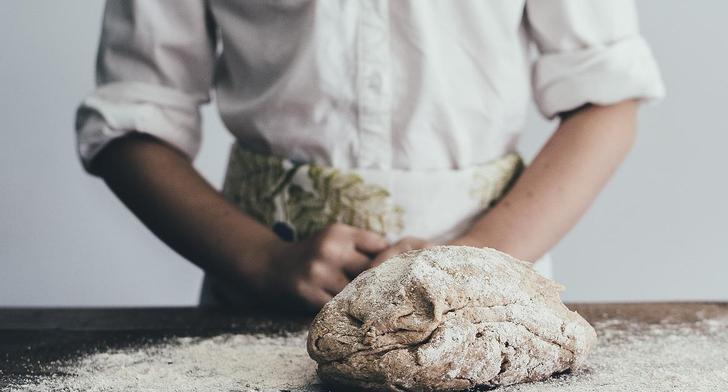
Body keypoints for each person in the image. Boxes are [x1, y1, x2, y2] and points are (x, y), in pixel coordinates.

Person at [76, 1, 664, 310]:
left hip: (489, 293)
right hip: (261, 295)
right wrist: (262, 262)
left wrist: (472, 263)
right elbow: (131, 118)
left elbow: (605, 102)